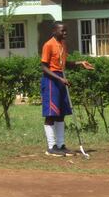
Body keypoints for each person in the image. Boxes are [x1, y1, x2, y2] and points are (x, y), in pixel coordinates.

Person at [40, 21, 94, 157]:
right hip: (52, 80)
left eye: (65, 31)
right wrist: (59, 79)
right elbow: (44, 67)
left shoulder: (63, 45)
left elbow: (64, 63)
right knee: (51, 114)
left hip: (61, 78)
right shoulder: (48, 45)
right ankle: (51, 147)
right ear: (54, 31)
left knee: (61, 113)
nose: (65, 33)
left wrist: (80, 63)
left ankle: (61, 145)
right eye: (62, 31)